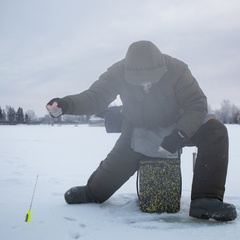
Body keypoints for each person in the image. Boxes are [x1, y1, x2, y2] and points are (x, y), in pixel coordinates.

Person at [46, 40, 237, 221]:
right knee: (111, 172)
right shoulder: (117, 72)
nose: (146, 88)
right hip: (137, 127)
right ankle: (92, 191)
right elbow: (95, 97)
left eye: (151, 82)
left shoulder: (178, 70)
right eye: (140, 83)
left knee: (215, 131)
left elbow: (197, 103)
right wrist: (67, 104)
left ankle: (206, 200)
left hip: (176, 124)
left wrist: (180, 133)